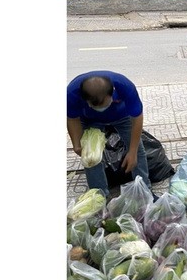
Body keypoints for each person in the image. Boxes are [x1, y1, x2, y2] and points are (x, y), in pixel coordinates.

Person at [67, 70, 158, 201]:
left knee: (137, 150)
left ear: (113, 93)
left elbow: (137, 118)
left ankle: (144, 191)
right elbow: (72, 119)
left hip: (122, 116)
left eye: (105, 104)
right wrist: (76, 143)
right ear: (85, 99)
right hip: (90, 120)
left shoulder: (124, 86)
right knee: (91, 157)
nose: (101, 109)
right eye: (94, 106)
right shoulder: (71, 93)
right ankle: (98, 199)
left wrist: (132, 152)